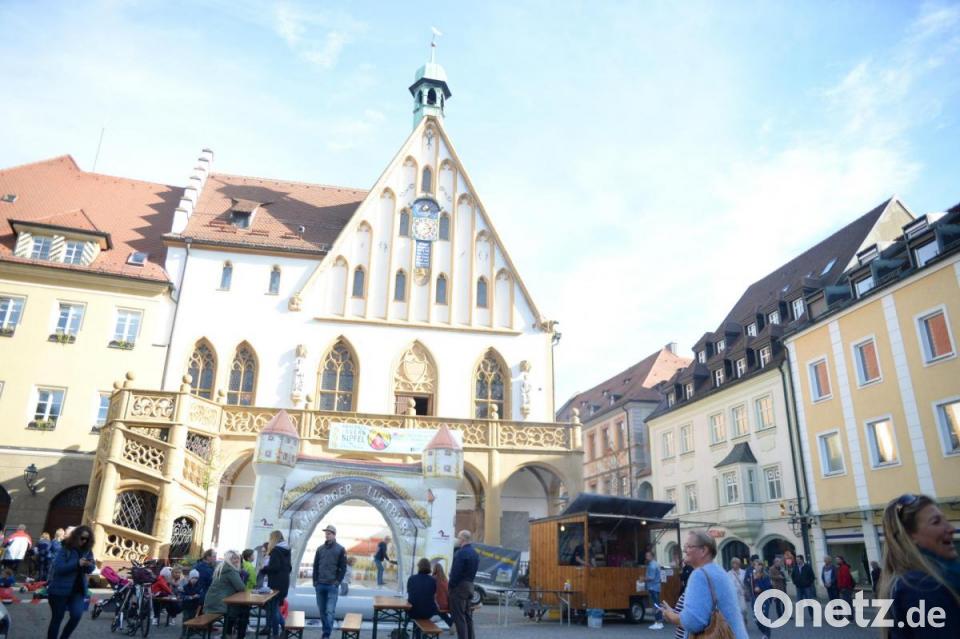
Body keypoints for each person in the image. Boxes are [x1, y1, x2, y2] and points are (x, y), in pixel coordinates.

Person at [879, 494, 960, 638]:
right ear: (910, 536)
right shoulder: (922, 586)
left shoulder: (932, 578)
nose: (951, 528)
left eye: (945, 520)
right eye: (936, 522)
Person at [660, 530, 748, 639]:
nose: (684, 550)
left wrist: (671, 616)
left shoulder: (700, 574)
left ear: (703, 550)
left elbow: (693, 622)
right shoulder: (719, 571)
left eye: (689, 546)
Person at [46, 525, 95, 639]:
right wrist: (77, 564)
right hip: (59, 590)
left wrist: (89, 565)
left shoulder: (87, 551)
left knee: (76, 615)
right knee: (57, 618)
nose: (84, 541)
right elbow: (59, 568)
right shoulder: (65, 548)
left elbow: (91, 568)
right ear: (76, 536)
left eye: (87, 539)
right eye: (82, 538)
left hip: (78, 590)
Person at [312, 525, 346, 639]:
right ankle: (326, 630)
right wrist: (315, 581)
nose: (327, 535)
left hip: (332, 585)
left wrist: (337, 582)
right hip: (320, 584)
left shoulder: (340, 549)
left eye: (329, 533)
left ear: (334, 535)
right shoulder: (320, 549)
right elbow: (315, 566)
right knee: (322, 611)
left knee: (330, 611)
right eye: (326, 533)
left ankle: (326, 634)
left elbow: (343, 568)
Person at [204, 550, 248, 638]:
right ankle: (237, 636)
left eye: (237, 558)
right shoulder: (231, 570)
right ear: (228, 559)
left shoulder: (222, 567)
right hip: (219, 603)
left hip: (212, 602)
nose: (236, 560)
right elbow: (241, 587)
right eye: (233, 558)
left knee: (237, 609)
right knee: (244, 611)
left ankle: (227, 633)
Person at [261, 530, 292, 639]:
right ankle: (283, 629)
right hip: (284, 582)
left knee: (274, 610)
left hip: (275, 583)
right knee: (276, 609)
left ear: (273, 538)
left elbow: (275, 567)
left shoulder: (275, 550)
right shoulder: (287, 550)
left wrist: (264, 569)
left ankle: (276, 633)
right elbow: (289, 568)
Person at [449, 530, 479, 639]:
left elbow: (455, 572)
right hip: (470, 585)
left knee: (459, 617)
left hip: (460, 587)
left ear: (462, 539)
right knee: (467, 616)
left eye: (458, 537)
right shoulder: (475, 553)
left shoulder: (461, 553)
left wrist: (451, 585)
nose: (457, 540)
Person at [407, 557, 439, 633]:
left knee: (414, 609)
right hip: (428, 612)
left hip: (413, 611)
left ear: (418, 566)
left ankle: (415, 633)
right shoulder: (433, 580)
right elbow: (434, 595)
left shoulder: (412, 578)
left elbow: (409, 592)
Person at [790, 554, 816, 621]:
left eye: (798, 560)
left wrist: (808, 583)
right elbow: (792, 576)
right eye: (796, 560)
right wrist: (795, 582)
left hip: (807, 587)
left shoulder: (807, 567)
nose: (797, 561)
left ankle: (812, 616)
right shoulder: (795, 567)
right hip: (799, 587)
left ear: (802, 560)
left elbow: (812, 577)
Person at [432, 562, 454, 633]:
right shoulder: (445, 579)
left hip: (438, 604)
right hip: (446, 604)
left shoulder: (433, 579)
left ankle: (426, 626)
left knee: (430, 610)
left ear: (434, 570)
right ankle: (452, 624)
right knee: (442, 614)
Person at [645, 550, 664, 630]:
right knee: (656, 604)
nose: (646, 557)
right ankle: (658, 621)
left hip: (653, 587)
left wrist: (644, 579)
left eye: (648, 556)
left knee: (656, 605)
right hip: (656, 587)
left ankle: (659, 622)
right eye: (646, 556)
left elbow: (651, 577)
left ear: (652, 556)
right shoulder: (656, 564)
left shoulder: (652, 565)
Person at [727, 557, 749, 626]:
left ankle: (744, 618)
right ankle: (739, 623)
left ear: (739, 564)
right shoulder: (729, 573)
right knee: (736, 610)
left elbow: (746, 582)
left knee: (743, 609)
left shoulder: (743, 572)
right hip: (733, 594)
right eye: (733, 563)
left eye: (736, 563)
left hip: (742, 593)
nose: (734, 565)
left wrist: (746, 589)